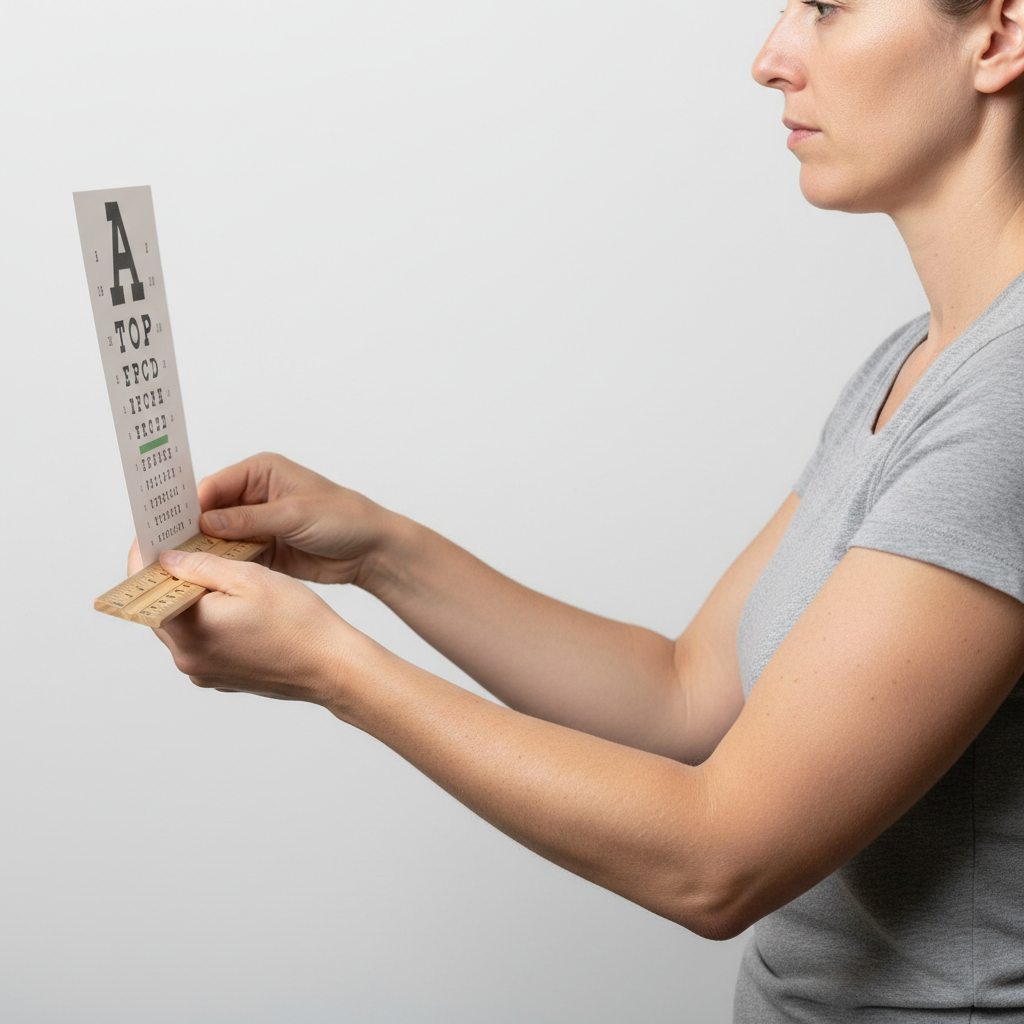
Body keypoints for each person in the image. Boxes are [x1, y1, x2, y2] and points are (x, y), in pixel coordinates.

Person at [128, 0, 1024, 1018]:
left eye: (827, 8)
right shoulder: (917, 360)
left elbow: (718, 858)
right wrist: (379, 550)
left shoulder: (1007, 402)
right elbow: (684, 695)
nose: (768, 59)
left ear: (997, 36)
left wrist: (334, 670)